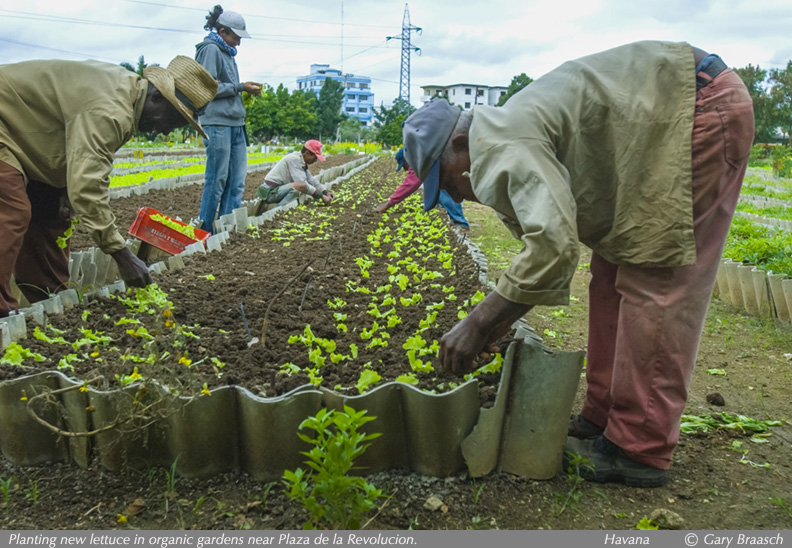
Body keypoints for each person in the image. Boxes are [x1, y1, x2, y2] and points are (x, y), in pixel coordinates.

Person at [402, 41, 754, 487]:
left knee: (656, 273)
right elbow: (551, 249)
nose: (453, 194)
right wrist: (496, 323)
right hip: (664, 118)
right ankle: (604, 415)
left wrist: (477, 323)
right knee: (609, 274)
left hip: (691, 112)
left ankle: (638, 447)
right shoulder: (502, 131)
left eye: (445, 179)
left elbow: (553, 247)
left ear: (459, 142)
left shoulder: (498, 142)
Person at [0, 56, 218, 317]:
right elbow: (87, 189)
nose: (164, 130)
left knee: (51, 215)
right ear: (157, 97)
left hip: (20, 134)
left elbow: (72, 150)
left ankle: (49, 307)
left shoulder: (125, 94)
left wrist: (63, 188)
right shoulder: (111, 111)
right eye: (171, 120)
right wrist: (121, 254)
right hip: (6, 125)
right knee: (11, 211)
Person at [196, 5, 262, 233]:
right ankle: (205, 230)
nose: (239, 42)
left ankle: (226, 229)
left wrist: (242, 89)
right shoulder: (211, 50)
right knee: (217, 180)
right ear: (222, 31)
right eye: (236, 36)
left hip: (235, 123)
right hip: (217, 123)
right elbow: (205, 87)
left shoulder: (227, 52)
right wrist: (239, 87)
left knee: (236, 182)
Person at [373, 148, 470, 229]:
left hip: (450, 172)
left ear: (408, 159)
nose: (405, 169)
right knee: (437, 189)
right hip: (447, 169)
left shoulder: (418, 159)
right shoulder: (420, 154)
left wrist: (389, 203)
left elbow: (410, 184)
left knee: (445, 194)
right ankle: (445, 217)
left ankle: (461, 224)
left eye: (404, 165)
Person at [255, 140, 335, 207]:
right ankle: (277, 211)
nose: (315, 161)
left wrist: (325, 192)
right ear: (307, 153)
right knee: (299, 187)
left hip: (278, 190)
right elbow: (302, 184)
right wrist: (321, 196)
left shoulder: (301, 161)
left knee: (299, 188)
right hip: (269, 192)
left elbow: (311, 180)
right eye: (315, 157)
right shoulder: (294, 160)